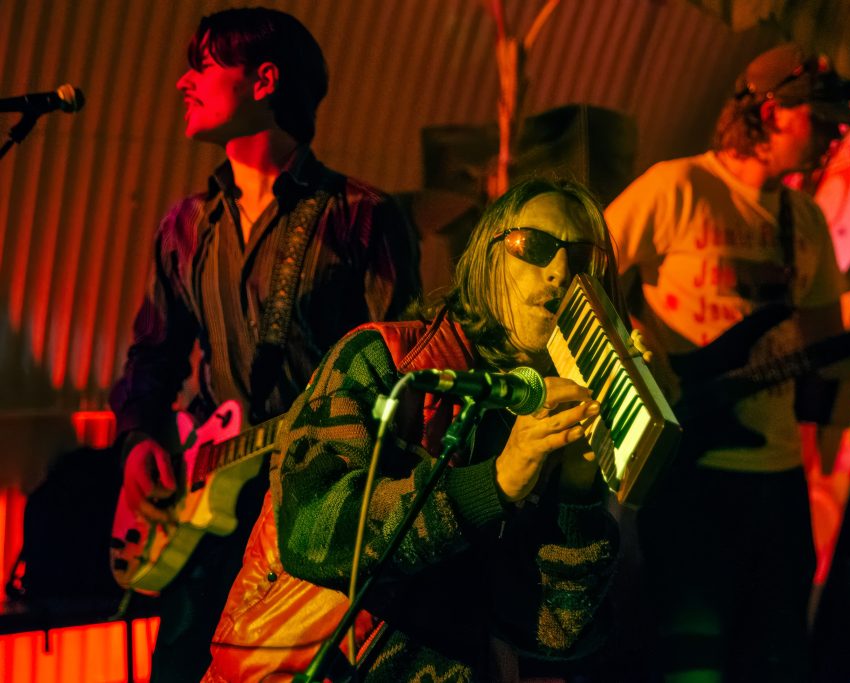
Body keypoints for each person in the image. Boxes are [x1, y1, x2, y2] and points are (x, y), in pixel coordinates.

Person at [202, 178, 621, 682]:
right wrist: (495, 483)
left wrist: (578, 488)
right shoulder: (384, 360)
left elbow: (555, 632)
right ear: (488, 257)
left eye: (583, 259)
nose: (560, 271)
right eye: (534, 245)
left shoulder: (552, 421)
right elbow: (312, 531)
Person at [109, 8, 419, 681]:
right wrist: (138, 441)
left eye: (202, 66)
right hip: (208, 517)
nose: (182, 82)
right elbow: (153, 357)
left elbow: (405, 371)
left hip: (317, 512)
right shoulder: (186, 225)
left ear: (264, 80)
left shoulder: (361, 215)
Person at [604, 43, 850, 682]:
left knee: (775, 658)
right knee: (689, 660)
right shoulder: (677, 186)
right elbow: (584, 277)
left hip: (777, 476)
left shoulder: (804, 219)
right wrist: (639, 354)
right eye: (820, 119)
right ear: (772, 112)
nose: (832, 135)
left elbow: (830, 352)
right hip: (689, 472)